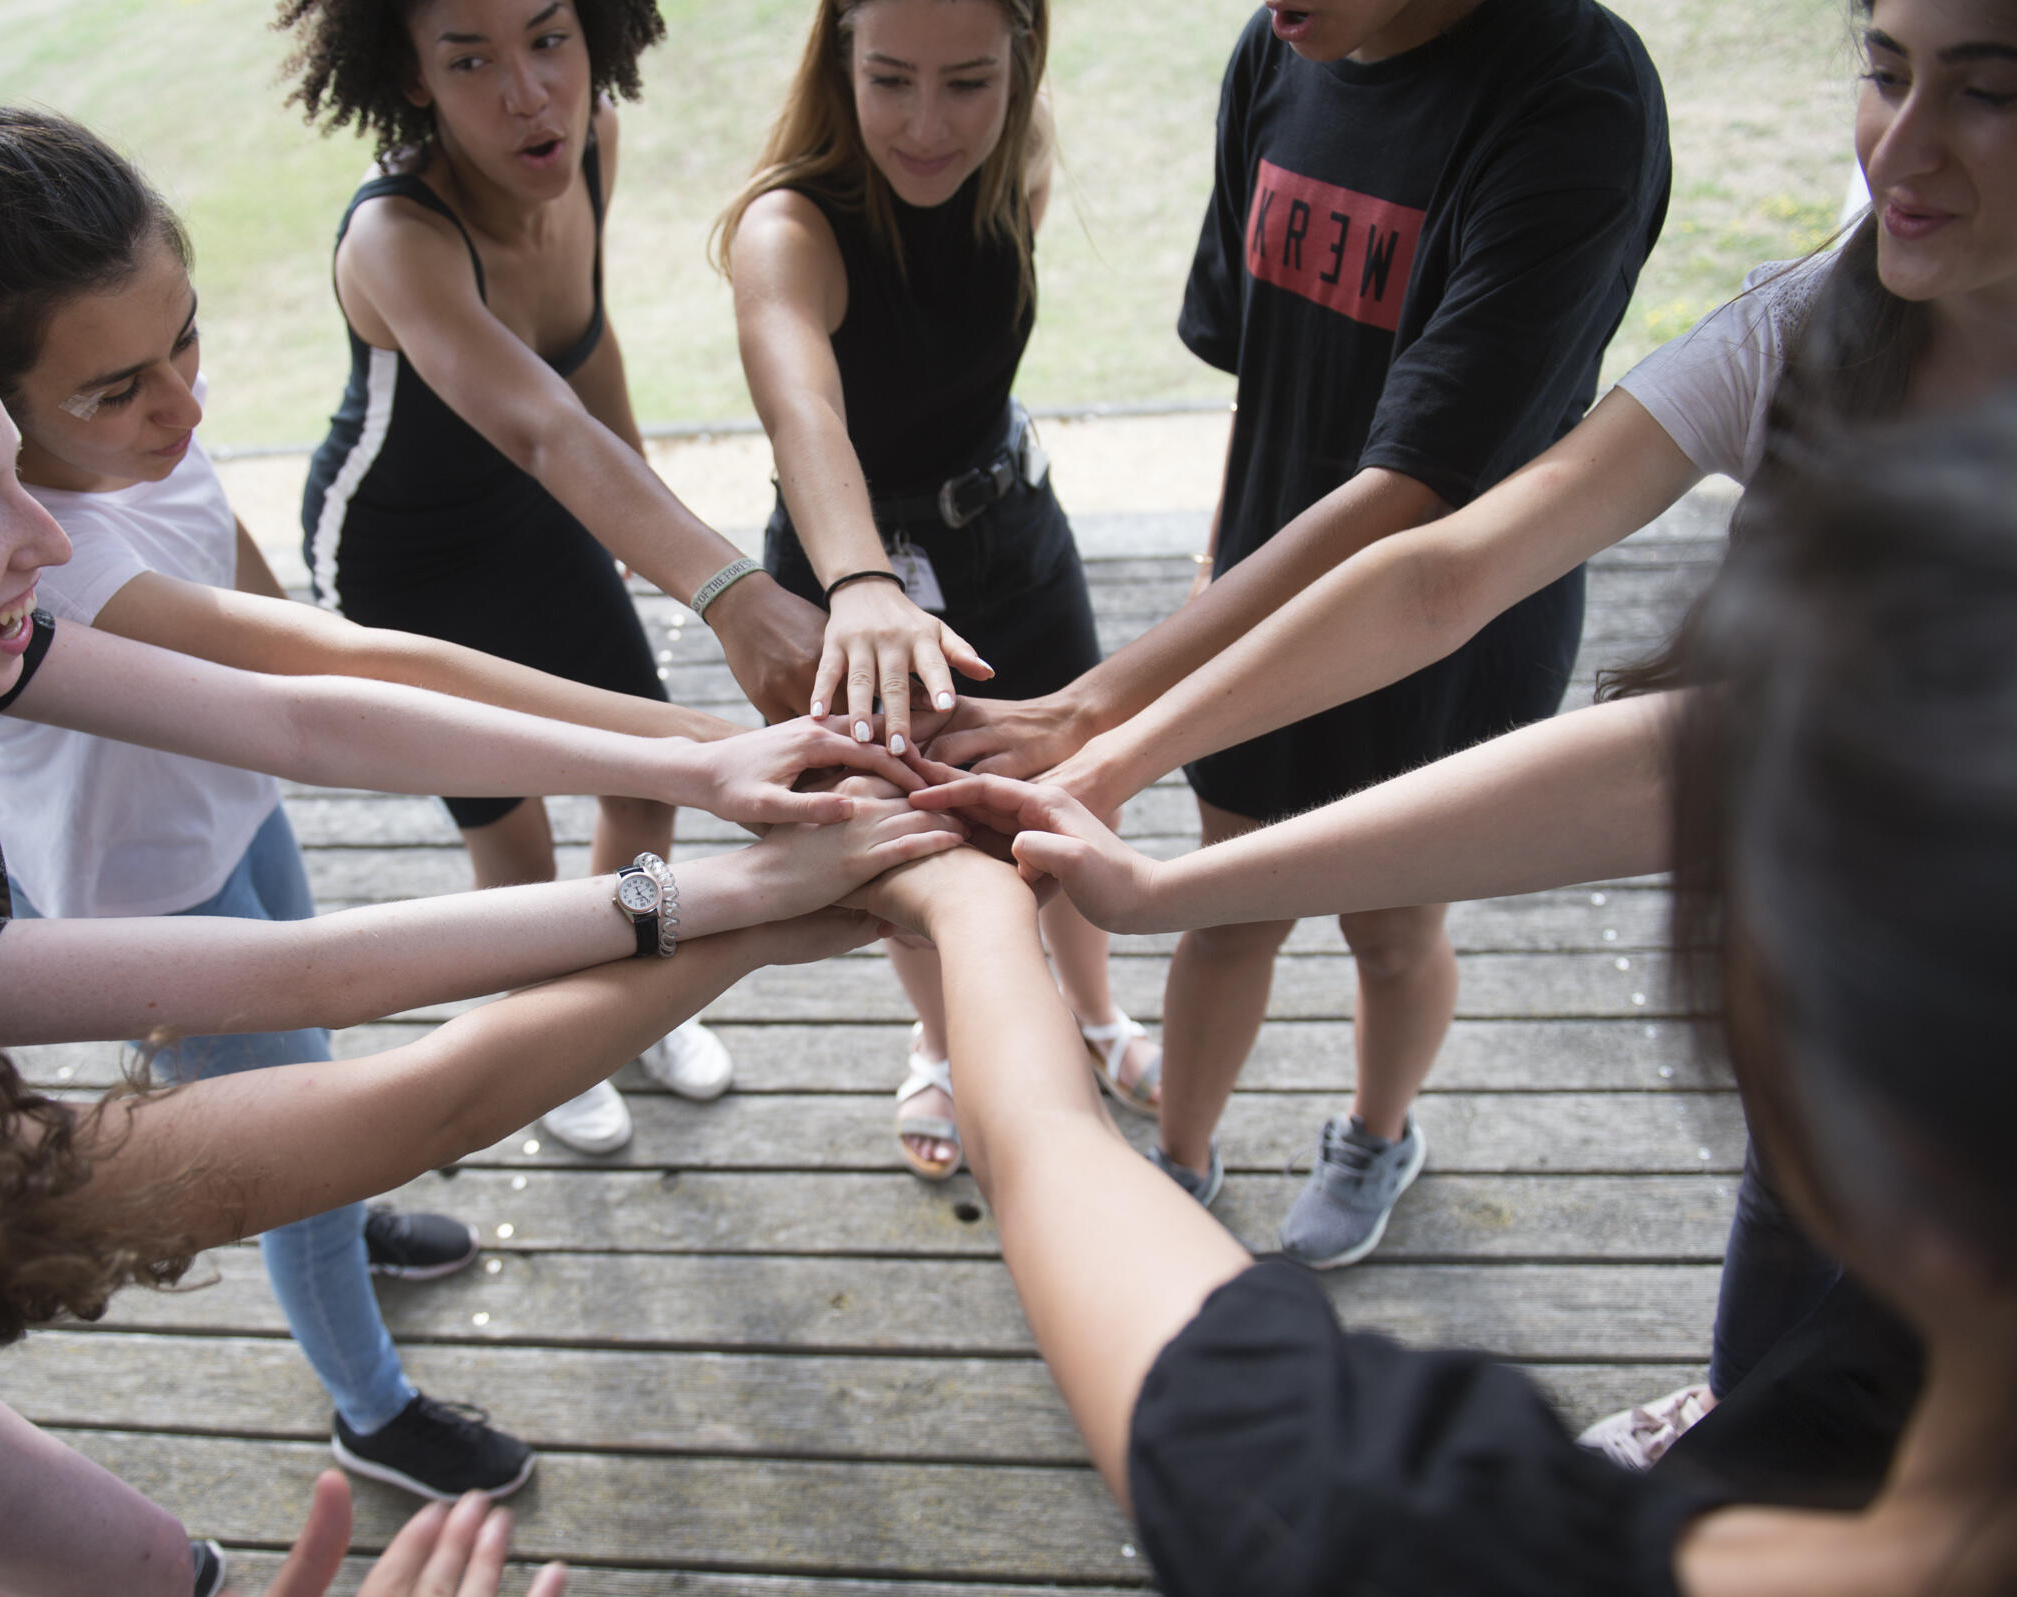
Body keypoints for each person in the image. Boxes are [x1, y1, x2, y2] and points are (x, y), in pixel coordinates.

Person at [0, 237, 959, 1519]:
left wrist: (703, 774)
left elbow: (306, 716)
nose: (50, 535)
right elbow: (349, 1038)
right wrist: (737, 904)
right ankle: (370, 1408)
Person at [928, 0, 2016, 1446]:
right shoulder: (1811, 317)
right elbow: (1446, 574)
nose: (1903, 149)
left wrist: (1160, 862)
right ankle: (1739, 1409)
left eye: (1986, 93)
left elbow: (1673, 759)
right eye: (1884, 73)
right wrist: (1106, 737)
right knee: (1789, 1228)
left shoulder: (1572, 95)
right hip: (1815, 977)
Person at [866, 396, 2017, 1593]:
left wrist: (973, 910)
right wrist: (1159, 889)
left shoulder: (1441, 1541)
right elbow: (1667, 766)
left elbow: (1052, 1153)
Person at [0, 527, 889, 1595]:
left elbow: (315, 960)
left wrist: (734, 886)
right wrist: (748, 913)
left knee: (157, 1566)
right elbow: (413, 1101)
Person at [0, 104, 772, 1501]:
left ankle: (345, 1218)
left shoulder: (136, 443)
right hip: (145, 886)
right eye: (117, 388)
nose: (184, 407)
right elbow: (323, 678)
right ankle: (370, 1407)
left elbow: (271, 610)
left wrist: (687, 750)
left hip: (229, 810)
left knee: (304, 1061)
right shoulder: (48, 559)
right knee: (301, 1139)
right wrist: (694, 746)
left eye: (187, 340)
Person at [922, 0, 1668, 1258]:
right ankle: (1180, 1160)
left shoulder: (1573, 95)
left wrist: (1098, 708)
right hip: (1261, 593)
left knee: (1393, 922)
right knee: (1225, 902)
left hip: (1457, 622)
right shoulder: (1280, 47)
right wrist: (1221, 564)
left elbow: (1418, 491)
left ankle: (1380, 1133)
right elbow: (1260, 365)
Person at [278, 0, 832, 1152]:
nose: (528, 93)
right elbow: (541, 426)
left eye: (547, 40)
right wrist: (727, 590)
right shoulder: (396, 237)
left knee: (649, 777)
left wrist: (646, 525)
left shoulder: (592, 142)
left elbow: (585, 352)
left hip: (539, 514)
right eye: (470, 60)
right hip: (404, 557)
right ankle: (547, 1036)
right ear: (414, 78)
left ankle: (627, 993)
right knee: (513, 828)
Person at [712, 0, 1158, 1180]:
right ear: (838, 58)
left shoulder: (1018, 157)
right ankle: (948, 1041)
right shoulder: (787, 227)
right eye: (890, 79)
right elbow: (802, 411)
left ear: (1021, 60)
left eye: (967, 82)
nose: (927, 126)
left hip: (1011, 533)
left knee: (1072, 800)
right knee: (915, 831)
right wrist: (862, 578)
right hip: (853, 573)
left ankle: (1095, 1009)